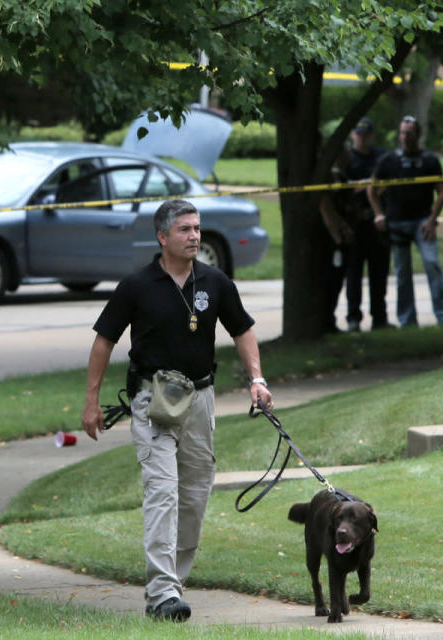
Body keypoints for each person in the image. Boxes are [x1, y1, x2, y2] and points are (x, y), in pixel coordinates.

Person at [81, 199, 273, 623]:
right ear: (162, 237)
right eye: (185, 229)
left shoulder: (215, 282)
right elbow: (103, 341)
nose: (195, 237)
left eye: (197, 228)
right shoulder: (137, 286)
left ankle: (173, 585)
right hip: (152, 400)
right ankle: (163, 593)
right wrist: (91, 400)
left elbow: (242, 329)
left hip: (200, 399)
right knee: (163, 492)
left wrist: (257, 380)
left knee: (194, 497)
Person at [367, 115, 443, 327]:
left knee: (432, 264)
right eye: (402, 133)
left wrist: (432, 220)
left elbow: (441, 193)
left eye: (409, 133)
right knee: (402, 274)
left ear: (418, 135)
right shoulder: (389, 161)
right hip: (396, 224)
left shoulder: (430, 161)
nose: (405, 137)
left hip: (422, 223)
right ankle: (407, 320)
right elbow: (372, 190)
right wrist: (379, 214)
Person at [344, 117, 391, 331]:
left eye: (366, 135)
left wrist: (363, 186)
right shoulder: (346, 158)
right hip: (355, 223)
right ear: (353, 134)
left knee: (379, 274)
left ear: (371, 136)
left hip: (377, 223)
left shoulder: (380, 157)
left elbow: (385, 184)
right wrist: (368, 184)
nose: (362, 139)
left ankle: (379, 318)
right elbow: (344, 187)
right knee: (353, 273)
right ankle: (354, 318)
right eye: (359, 134)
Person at [319, 147, 354, 334]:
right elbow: (327, 207)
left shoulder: (342, 177)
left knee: (337, 281)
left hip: (341, 238)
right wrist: (338, 233)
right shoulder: (330, 177)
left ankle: (329, 318)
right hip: (333, 241)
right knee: (331, 281)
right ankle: (325, 320)